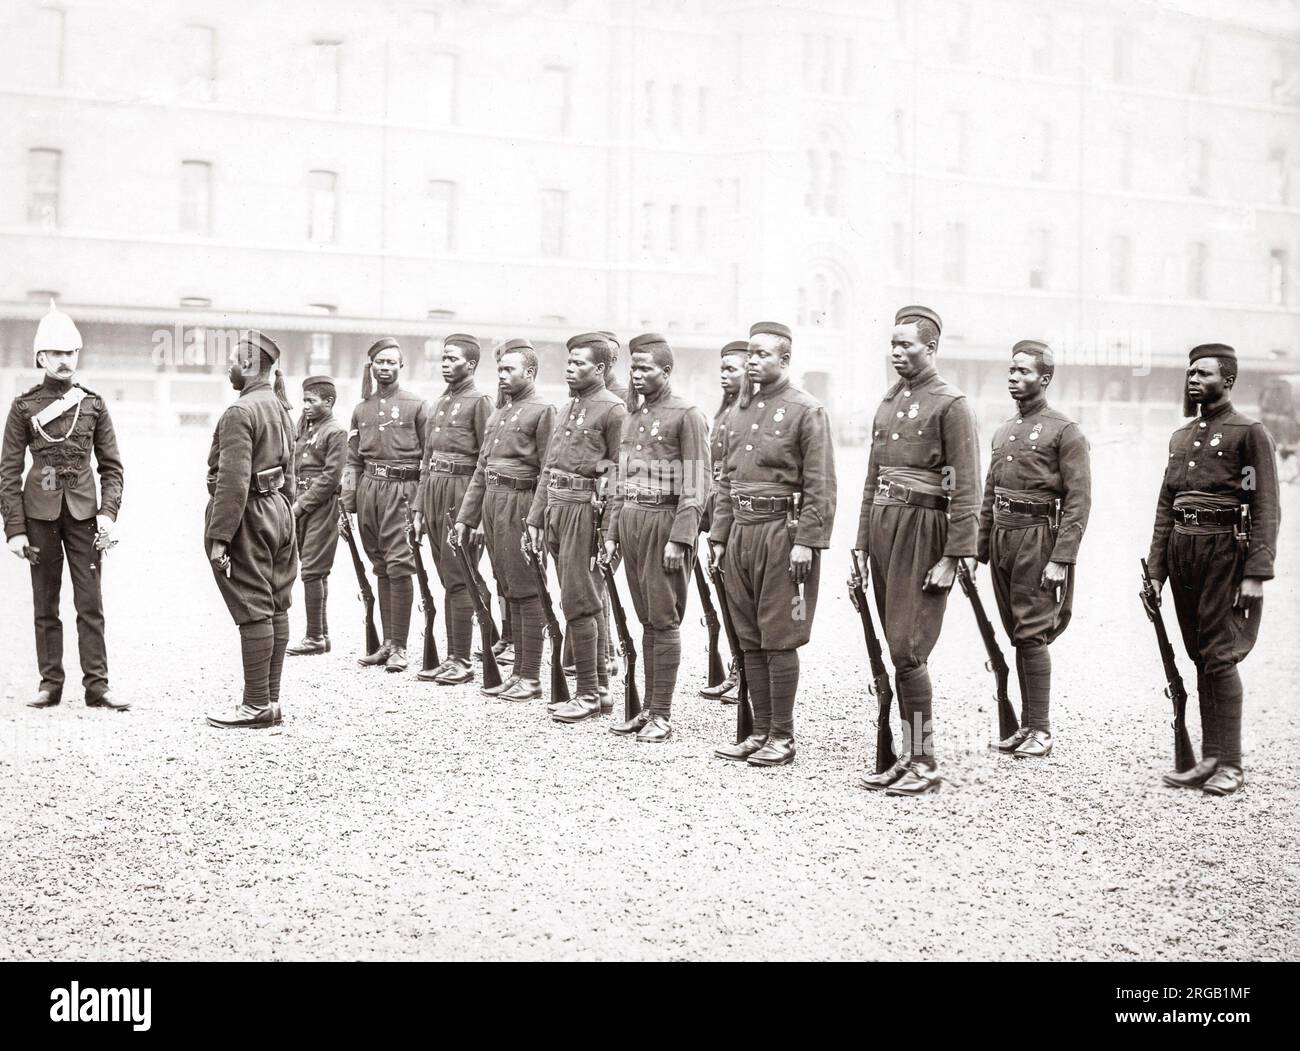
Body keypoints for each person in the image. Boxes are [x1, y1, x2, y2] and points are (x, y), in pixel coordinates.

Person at [853, 306, 979, 796]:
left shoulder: (951, 404)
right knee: (894, 644)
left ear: (932, 348)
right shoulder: (889, 403)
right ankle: (907, 755)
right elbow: (871, 479)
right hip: (884, 527)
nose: (896, 352)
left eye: (907, 344)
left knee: (909, 647)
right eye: (893, 344)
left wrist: (954, 557)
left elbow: (965, 486)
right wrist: (862, 545)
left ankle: (923, 759)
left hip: (923, 529)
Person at [1144, 343, 1280, 797]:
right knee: (1199, 654)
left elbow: (1265, 505)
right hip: (1184, 550)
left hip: (1225, 550)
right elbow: (1167, 506)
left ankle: (1232, 763)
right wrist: (1157, 572)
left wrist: (1256, 572)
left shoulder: (1249, 432)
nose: (1193, 379)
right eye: (1190, 373)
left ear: (1229, 380)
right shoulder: (1181, 437)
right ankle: (1209, 758)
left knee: (1220, 656)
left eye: (1203, 373)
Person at [709, 322, 837, 767]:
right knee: (748, 636)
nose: (752, 361)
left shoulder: (806, 410)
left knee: (779, 634)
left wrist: (808, 543)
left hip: (783, 536)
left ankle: (782, 736)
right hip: (742, 531)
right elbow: (727, 481)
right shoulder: (737, 412)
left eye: (762, 354)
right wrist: (720, 537)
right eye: (750, 354)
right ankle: (759, 729)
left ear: (784, 359)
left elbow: (821, 483)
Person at [1, 301, 126, 711]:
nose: (65, 360)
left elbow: (112, 467)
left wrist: (107, 514)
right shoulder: (24, 406)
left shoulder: (93, 404)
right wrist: (15, 529)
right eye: (56, 353)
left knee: (90, 602)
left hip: (85, 516)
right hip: (39, 516)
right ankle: (50, 684)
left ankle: (98, 686)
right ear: (41, 357)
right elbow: (8, 471)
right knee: (45, 602)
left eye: (71, 353)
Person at [976, 341, 1091, 758]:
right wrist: (978, 548)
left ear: (1044, 378)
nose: (1013, 377)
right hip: (1003, 535)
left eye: (1023, 372)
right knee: (1015, 632)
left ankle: (1040, 728)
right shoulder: (1004, 430)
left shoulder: (1065, 431)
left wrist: (1062, 558)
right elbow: (991, 491)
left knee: (1031, 631)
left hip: (1038, 536)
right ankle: (1024, 727)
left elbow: (1079, 500)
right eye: (1011, 370)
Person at [603, 333, 711, 742]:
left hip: (664, 523)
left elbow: (698, 482)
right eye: (634, 367)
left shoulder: (688, 415)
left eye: (646, 367)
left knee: (664, 620)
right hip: (631, 520)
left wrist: (681, 539)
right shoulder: (632, 415)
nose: (637, 374)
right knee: (645, 618)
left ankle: (662, 714)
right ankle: (646, 709)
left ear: (666, 371)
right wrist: (612, 532)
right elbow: (620, 478)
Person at [526, 332, 627, 723]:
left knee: (580, 600)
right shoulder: (569, 407)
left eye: (580, 363)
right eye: (569, 362)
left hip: (586, 512)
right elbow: (550, 467)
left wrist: (610, 532)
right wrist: (536, 517)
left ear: (600, 368)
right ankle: (598, 689)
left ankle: (588, 692)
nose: (571, 368)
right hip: (556, 507)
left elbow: (619, 477)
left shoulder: (613, 410)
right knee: (578, 597)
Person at [204, 330, 298, 728]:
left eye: (232, 361)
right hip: (278, 511)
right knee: (276, 602)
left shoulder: (239, 412)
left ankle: (256, 704)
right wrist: (285, 514)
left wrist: (219, 537)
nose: (228, 367)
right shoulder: (279, 406)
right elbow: (291, 472)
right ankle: (271, 700)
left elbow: (232, 481)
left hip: (249, 514)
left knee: (253, 606)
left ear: (246, 365)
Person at [454, 339, 556, 701]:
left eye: (509, 369)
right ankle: (517, 672)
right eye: (499, 370)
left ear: (530, 372)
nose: (501, 375)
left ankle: (531, 676)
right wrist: (467, 518)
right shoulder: (499, 413)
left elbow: (548, 471)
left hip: (521, 504)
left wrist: (536, 519)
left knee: (527, 589)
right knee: (508, 585)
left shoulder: (543, 411)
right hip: (493, 505)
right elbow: (482, 469)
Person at [341, 337, 430, 672]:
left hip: (402, 489)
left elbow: (429, 459)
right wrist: (347, 502)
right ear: (371, 366)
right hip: (369, 489)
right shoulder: (361, 408)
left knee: (399, 562)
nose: (386, 368)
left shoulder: (416, 405)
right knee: (379, 562)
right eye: (380, 362)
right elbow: (352, 460)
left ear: (401, 366)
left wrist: (419, 503)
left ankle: (401, 646)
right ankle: (387, 643)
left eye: (392, 362)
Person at [411, 334, 494, 685]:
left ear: (471, 364)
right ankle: (463, 648)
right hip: (434, 493)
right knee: (448, 576)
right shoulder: (439, 403)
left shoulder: (480, 402)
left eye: (452, 358)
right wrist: (418, 508)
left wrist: (475, 515)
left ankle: (461, 657)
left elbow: (486, 462)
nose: (445, 364)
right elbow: (427, 460)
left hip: (461, 493)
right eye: (443, 358)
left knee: (459, 576)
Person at [698, 339, 748, 703]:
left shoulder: (748, 415)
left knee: (741, 598)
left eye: (731, 369)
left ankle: (746, 672)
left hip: (739, 515)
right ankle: (737, 666)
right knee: (726, 595)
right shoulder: (723, 413)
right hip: (718, 511)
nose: (723, 376)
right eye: (722, 369)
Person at [287, 375, 346, 655]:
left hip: (320, 505)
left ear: (329, 402)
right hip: (302, 502)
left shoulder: (335, 432)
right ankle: (320, 636)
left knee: (313, 569)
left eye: (312, 401)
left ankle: (314, 637)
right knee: (313, 570)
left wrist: (300, 505)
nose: (306, 406)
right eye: (304, 400)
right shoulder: (306, 426)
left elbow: (331, 477)